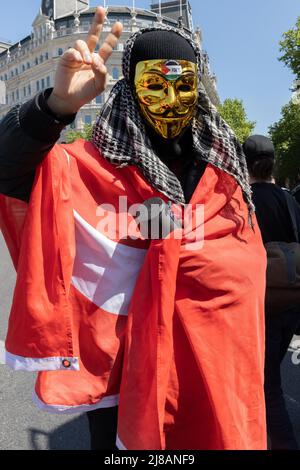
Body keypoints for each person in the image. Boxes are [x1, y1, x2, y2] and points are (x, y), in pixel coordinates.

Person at [0, 7, 267, 450]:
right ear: (131, 87)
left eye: (183, 85)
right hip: (122, 385)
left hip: (214, 378)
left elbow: (242, 270)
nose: (170, 99)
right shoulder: (88, 167)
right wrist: (58, 107)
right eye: (155, 85)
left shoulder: (224, 175)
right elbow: (7, 171)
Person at [243, 134, 300, 450]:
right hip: (290, 301)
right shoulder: (288, 199)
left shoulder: (242, 199)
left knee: (268, 385)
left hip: (258, 303)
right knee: (268, 377)